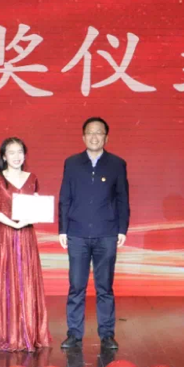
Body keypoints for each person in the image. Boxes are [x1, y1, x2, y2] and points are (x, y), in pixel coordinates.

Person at [58, 117, 129, 351]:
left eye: (99, 132)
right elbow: (65, 198)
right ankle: (74, 334)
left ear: (106, 137)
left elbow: (122, 199)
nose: (94, 137)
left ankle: (107, 335)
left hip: (106, 233)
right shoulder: (72, 163)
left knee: (104, 287)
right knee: (76, 286)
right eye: (90, 132)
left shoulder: (117, 164)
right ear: (83, 136)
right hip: (77, 233)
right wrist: (63, 229)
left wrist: (122, 229)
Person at [0, 137, 52, 351]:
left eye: (20, 151)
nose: (16, 156)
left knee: (26, 281)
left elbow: (36, 206)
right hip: (6, 235)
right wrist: (15, 224)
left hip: (27, 236)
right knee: (6, 282)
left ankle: (28, 332)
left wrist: (31, 218)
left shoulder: (32, 178)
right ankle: (6, 333)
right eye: (11, 152)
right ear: (4, 156)